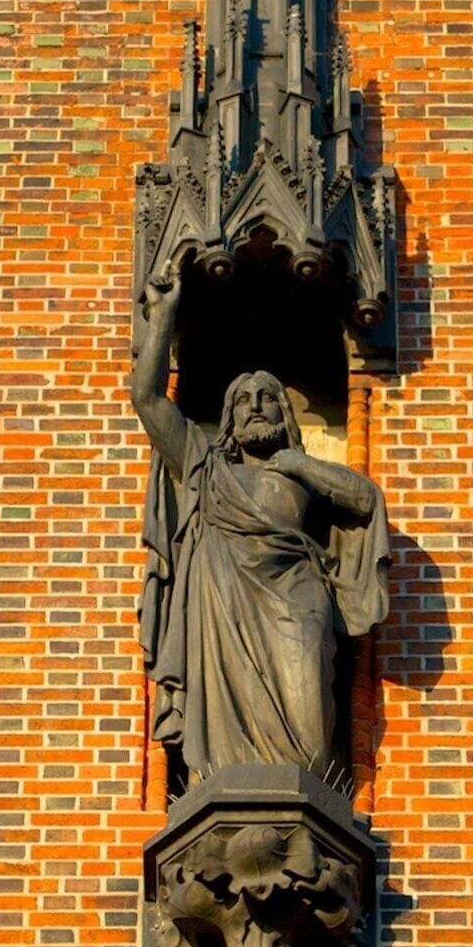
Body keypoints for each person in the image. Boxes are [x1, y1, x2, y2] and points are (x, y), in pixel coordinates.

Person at [131, 275, 387, 787]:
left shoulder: (301, 470)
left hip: (296, 597)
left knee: (309, 704)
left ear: (284, 413)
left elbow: (365, 500)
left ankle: (313, 789)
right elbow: (149, 401)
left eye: (267, 398)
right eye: (243, 399)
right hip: (224, 605)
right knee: (225, 728)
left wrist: (299, 464)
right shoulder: (205, 468)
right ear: (227, 418)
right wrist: (160, 320)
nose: (254, 406)